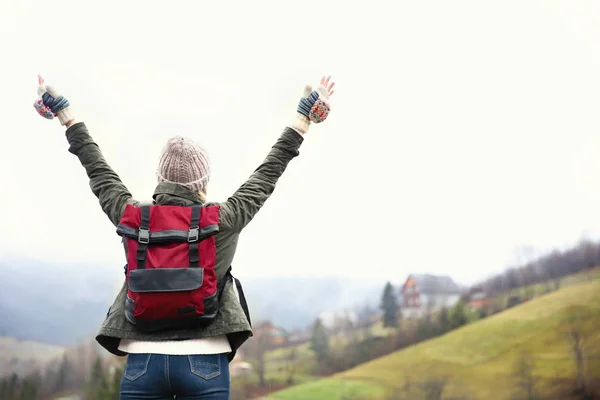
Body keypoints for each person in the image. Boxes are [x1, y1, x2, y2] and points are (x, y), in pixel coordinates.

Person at [34, 74, 336, 399]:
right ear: (202, 182)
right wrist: (303, 119)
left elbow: (97, 169)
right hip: (205, 361)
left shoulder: (131, 215)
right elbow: (269, 170)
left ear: (160, 179)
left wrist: (66, 116)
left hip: (143, 361)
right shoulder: (225, 217)